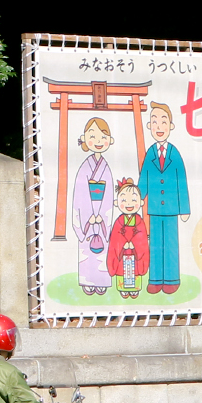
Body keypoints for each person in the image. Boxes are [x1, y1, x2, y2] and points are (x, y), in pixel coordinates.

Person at [137, 102, 190, 294]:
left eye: (163, 122)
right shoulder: (151, 152)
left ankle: (171, 279)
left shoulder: (174, 153)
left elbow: (181, 181)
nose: (159, 127)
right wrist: (137, 198)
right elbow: (144, 177)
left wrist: (184, 208)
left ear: (171, 126)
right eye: (155, 122)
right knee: (156, 244)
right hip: (154, 209)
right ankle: (156, 279)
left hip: (171, 209)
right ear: (149, 126)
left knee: (171, 244)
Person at [71, 116, 116, 295]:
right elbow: (80, 195)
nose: (98, 142)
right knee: (87, 250)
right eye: (93, 136)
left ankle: (102, 282)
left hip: (101, 214)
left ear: (109, 141)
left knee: (103, 251)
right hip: (87, 216)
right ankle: (87, 281)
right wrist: (89, 216)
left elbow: (110, 194)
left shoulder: (106, 168)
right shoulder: (84, 168)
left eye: (103, 137)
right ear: (85, 138)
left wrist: (102, 216)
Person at [105, 179, 149, 301]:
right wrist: (123, 244)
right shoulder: (118, 223)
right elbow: (114, 239)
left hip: (135, 254)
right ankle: (123, 289)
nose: (129, 204)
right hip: (122, 253)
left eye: (133, 200)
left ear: (140, 202)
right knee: (122, 270)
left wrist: (134, 245)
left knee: (134, 271)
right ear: (116, 202)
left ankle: (134, 289)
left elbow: (143, 240)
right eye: (124, 200)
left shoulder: (140, 223)